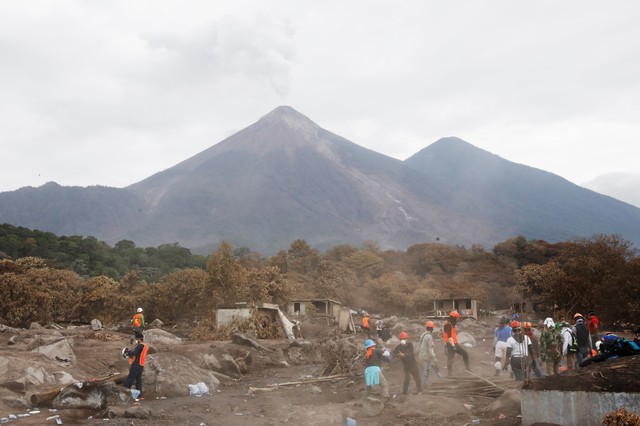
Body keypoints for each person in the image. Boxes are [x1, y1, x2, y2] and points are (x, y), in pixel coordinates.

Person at [443, 310, 470, 376]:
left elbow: (445, 337)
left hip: (449, 345)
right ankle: (468, 370)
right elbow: (449, 337)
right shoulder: (448, 325)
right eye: (456, 319)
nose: (457, 320)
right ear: (454, 318)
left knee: (450, 359)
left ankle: (449, 374)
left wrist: (446, 346)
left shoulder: (448, 325)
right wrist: (453, 346)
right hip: (452, 344)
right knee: (465, 354)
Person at [124, 331, 149, 399]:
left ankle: (125, 392)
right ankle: (138, 393)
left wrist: (128, 352)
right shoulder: (145, 345)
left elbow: (134, 353)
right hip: (141, 364)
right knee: (138, 379)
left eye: (135, 339)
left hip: (136, 364)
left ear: (138, 339)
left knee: (130, 378)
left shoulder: (140, 345)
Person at [418, 320, 442, 387]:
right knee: (430, 368)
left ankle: (440, 379)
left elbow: (420, 344)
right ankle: (440, 380)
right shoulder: (429, 337)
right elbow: (430, 349)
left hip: (423, 355)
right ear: (432, 328)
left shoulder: (423, 335)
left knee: (431, 368)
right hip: (428, 356)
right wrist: (434, 357)